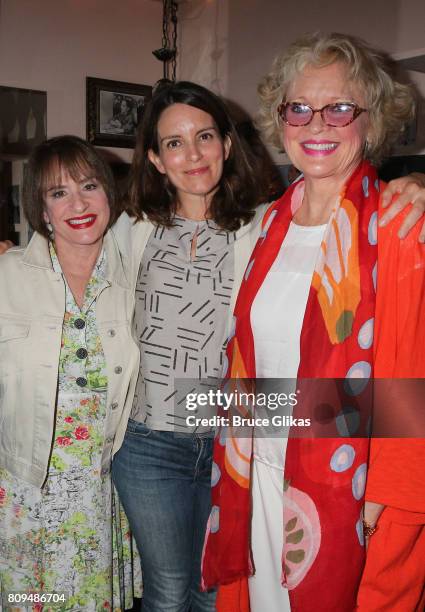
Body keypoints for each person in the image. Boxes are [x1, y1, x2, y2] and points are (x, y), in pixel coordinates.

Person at [1, 85, 423, 612]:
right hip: (151, 443)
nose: (193, 154)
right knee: (170, 589)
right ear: (155, 158)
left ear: (226, 144)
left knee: (217, 589)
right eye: (173, 144)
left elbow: (344, 209)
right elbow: (65, 234)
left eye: (204, 137)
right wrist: (18, 254)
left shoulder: (270, 223)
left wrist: (412, 184)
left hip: (231, 436)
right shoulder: (132, 227)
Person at [201, 33, 425, 612]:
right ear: (282, 119)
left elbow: (412, 382)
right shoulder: (267, 222)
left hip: (350, 489)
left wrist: (376, 501)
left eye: (340, 108)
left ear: (370, 123)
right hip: (260, 472)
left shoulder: (397, 226)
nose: (317, 124)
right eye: (299, 107)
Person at [0, 136, 141, 610]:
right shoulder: (8, 277)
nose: (78, 204)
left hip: (99, 500)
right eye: (58, 193)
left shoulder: (134, 282)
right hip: (22, 495)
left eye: (89, 185)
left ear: (109, 195)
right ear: (41, 210)